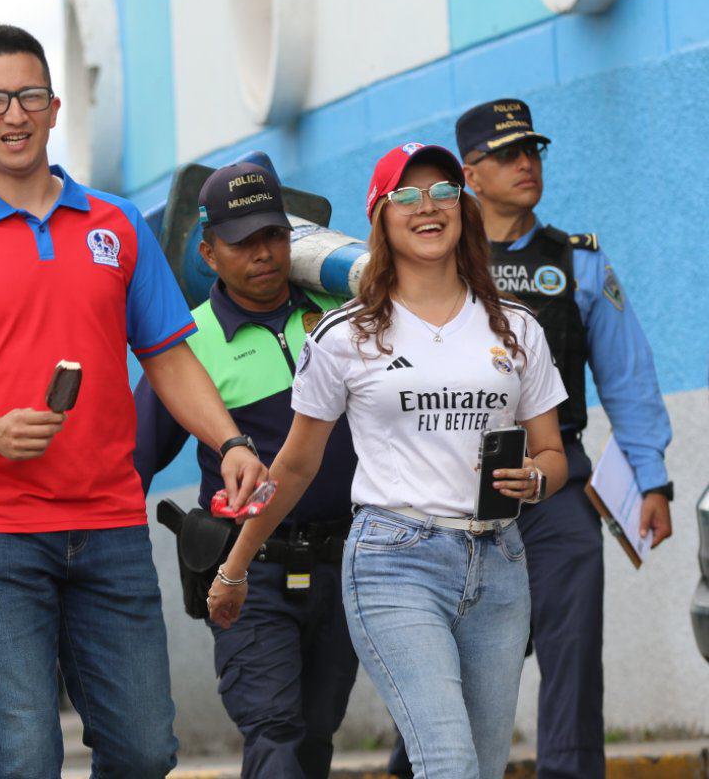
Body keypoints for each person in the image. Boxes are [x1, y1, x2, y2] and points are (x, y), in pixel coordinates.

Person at [0, 24, 267, 778]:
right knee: (26, 757)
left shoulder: (114, 226)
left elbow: (170, 357)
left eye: (30, 96)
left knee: (144, 752)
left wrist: (231, 443)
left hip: (109, 524)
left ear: (54, 108)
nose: (13, 114)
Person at [209, 141, 570, 779]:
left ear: (464, 209)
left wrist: (536, 478)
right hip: (393, 561)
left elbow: (552, 453)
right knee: (448, 762)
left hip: (499, 563)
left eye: (442, 193)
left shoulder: (517, 327)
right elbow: (293, 466)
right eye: (406, 196)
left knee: (482, 768)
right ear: (380, 216)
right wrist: (236, 565)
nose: (426, 208)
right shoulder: (343, 335)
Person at [455, 98, 674, 779]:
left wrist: (652, 478)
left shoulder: (578, 263)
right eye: (507, 153)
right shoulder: (439, 262)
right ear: (470, 173)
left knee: (572, 646)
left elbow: (628, 375)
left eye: (533, 151)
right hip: (455, 483)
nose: (526, 163)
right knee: (457, 655)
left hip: (558, 478)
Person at [133, 162, 359, 779]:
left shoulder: (342, 314)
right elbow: (134, 460)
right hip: (247, 571)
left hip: (344, 562)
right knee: (274, 730)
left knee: (317, 733)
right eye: (242, 242)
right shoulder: (188, 344)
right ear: (207, 252)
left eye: (274, 236)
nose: (263, 253)